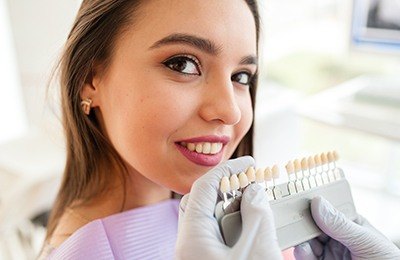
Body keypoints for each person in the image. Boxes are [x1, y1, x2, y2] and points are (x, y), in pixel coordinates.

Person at [39, 0, 400, 259]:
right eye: (183, 64)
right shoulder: (89, 251)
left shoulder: (210, 213)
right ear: (90, 78)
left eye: (241, 76)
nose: (229, 111)